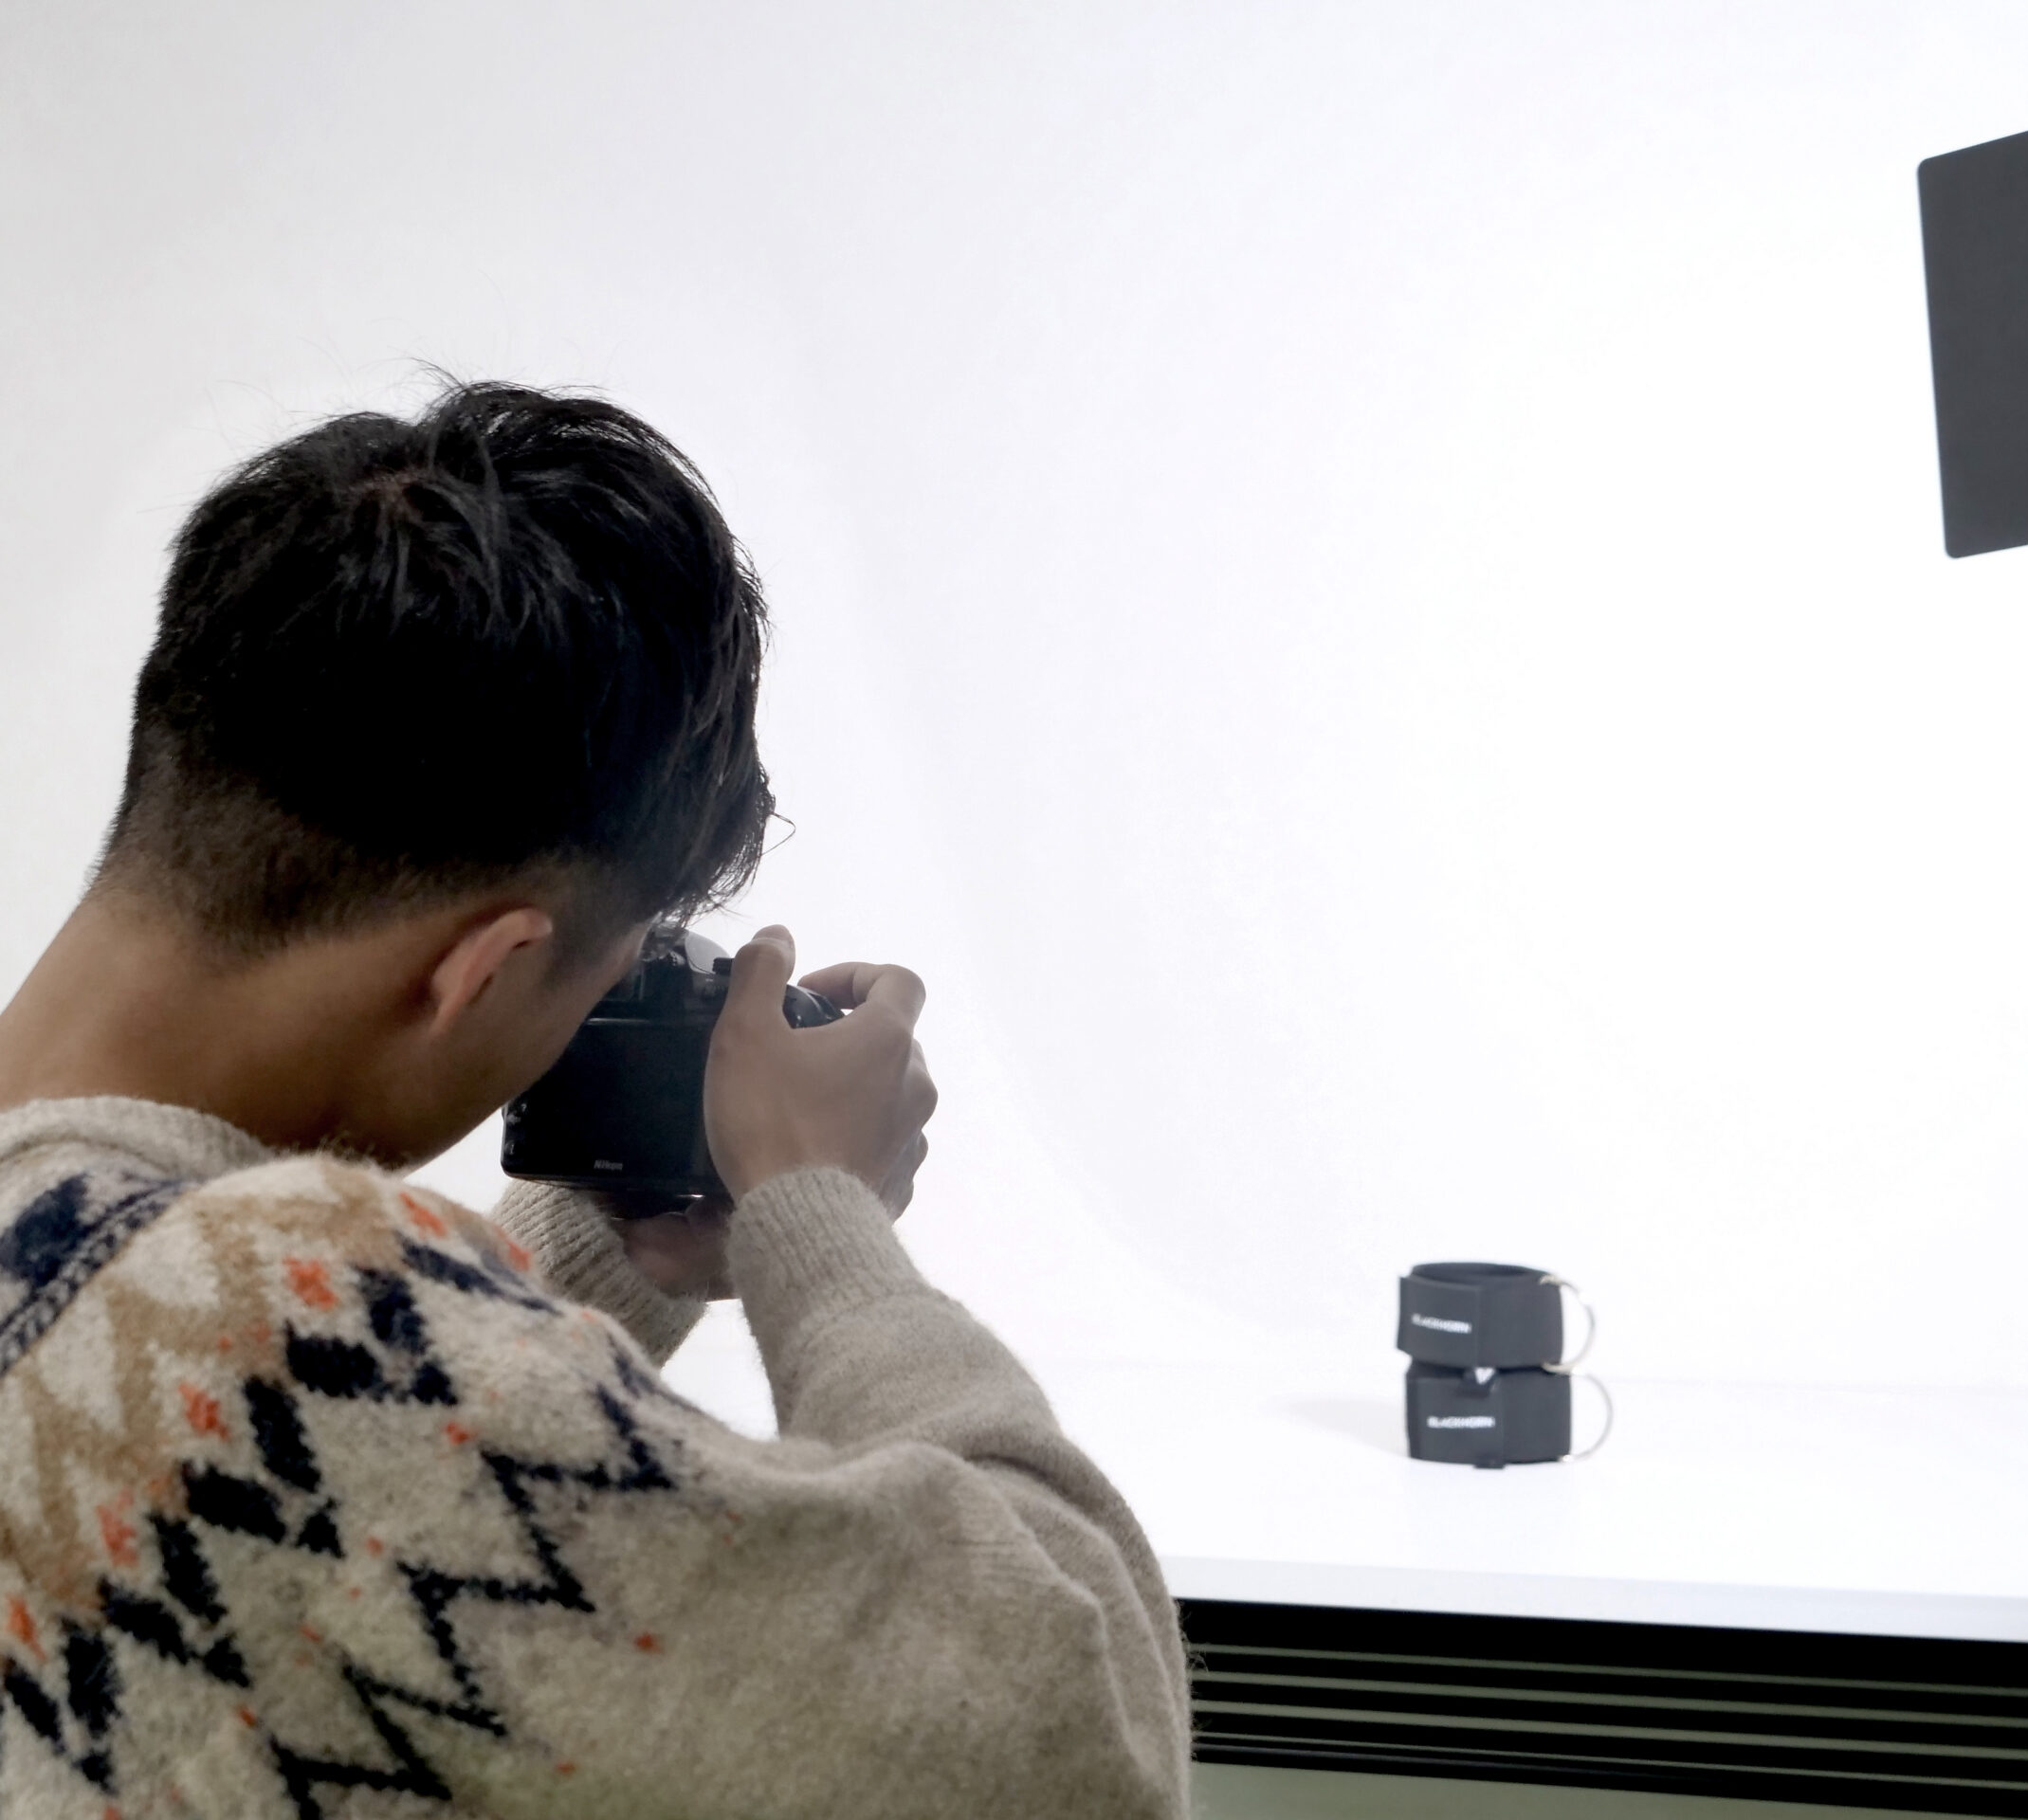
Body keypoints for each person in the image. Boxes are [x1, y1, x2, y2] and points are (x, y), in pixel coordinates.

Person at [0, 385, 1190, 1818]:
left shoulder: (122, 1288)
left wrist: (611, 1242)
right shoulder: (276, 1342)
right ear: (487, 969)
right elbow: (1075, 1737)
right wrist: (823, 1225)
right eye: (590, 986)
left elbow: (300, 1539)